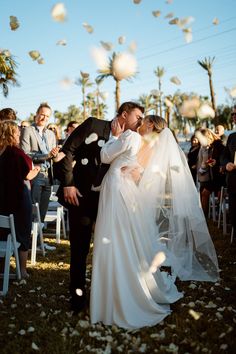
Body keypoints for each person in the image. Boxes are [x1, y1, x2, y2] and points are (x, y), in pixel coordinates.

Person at [90, 115, 218, 329]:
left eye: (144, 120)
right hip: (129, 193)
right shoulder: (152, 144)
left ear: (150, 125)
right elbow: (141, 170)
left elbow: (134, 167)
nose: (140, 122)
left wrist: (118, 143)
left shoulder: (140, 140)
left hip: (123, 192)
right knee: (130, 240)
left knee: (123, 240)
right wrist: (133, 170)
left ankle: (126, 287)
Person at [56, 102, 144, 313]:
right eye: (138, 115)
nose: (141, 120)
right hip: (82, 198)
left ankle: (107, 296)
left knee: (111, 248)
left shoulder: (132, 138)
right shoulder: (93, 125)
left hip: (112, 199)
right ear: (124, 114)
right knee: (80, 249)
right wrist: (68, 184)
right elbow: (66, 152)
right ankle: (77, 298)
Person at [0, 120, 40, 277]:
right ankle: (22, 271)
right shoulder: (17, 154)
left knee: (2, 232)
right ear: (11, 133)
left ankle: (2, 268)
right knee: (22, 232)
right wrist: (36, 170)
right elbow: (26, 174)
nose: (18, 134)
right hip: (19, 198)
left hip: (3, 198)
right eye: (17, 132)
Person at [20, 103, 60, 230]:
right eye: (42, 114)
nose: (44, 118)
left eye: (47, 116)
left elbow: (53, 157)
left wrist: (56, 154)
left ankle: (38, 242)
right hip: (35, 174)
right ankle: (30, 244)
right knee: (33, 211)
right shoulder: (28, 130)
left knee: (42, 211)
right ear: (36, 114)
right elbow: (25, 154)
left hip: (49, 175)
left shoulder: (50, 134)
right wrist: (47, 155)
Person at [196, 128, 225, 217]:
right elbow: (210, 161)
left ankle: (204, 216)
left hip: (220, 178)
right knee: (203, 192)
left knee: (205, 193)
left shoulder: (219, 145)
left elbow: (223, 160)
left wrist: (216, 163)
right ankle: (203, 214)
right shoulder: (210, 146)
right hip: (213, 176)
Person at [220, 105, 236, 239]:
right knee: (234, 214)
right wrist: (226, 164)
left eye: (235, 114)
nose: (233, 116)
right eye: (232, 114)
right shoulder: (231, 137)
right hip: (233, 183)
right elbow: (223, 156)